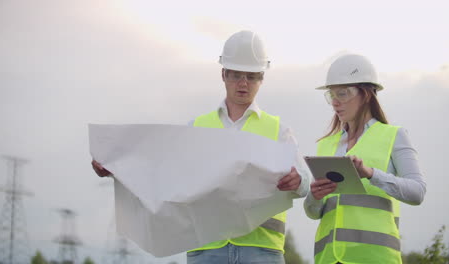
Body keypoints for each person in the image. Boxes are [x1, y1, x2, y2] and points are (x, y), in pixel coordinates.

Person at [92, 30, 310, 264]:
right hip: (206, 250)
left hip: (261, 250)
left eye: (251, 76)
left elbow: (305, 183)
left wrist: (298, 182)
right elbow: (163, 173)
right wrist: (120, 168)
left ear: (261, 78)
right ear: (223, 74)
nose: (243, 83)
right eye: (236, 74)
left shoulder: (278, 131)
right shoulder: (197, 128)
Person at [303, 54, 426, 264]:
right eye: (331, 95)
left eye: (342, 93)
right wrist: (313, 197)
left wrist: (371, 174)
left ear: (367, 94)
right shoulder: (326, 145)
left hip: (375, 258)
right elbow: (314, 213)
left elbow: (417, 192)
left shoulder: (394, 136)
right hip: (328, 258)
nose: (335, 102)